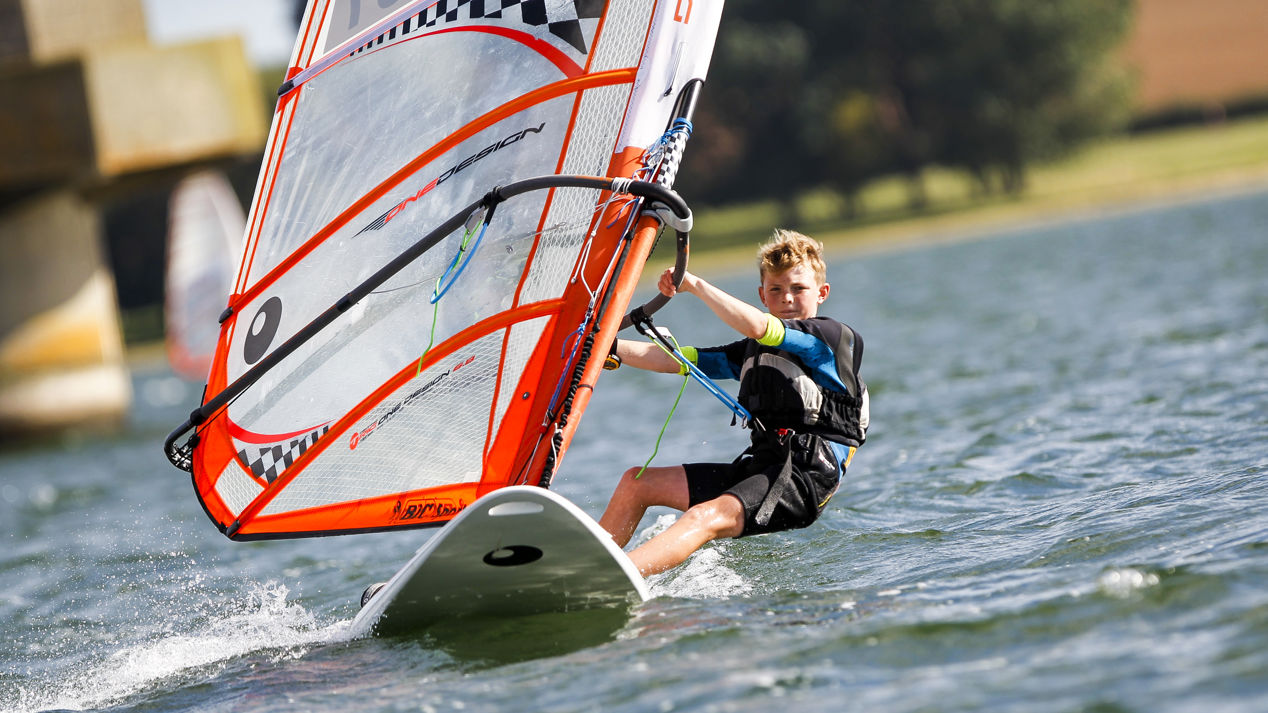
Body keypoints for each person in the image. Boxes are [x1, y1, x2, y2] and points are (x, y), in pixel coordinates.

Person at [599, 229, 869, 576]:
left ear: (822, 293)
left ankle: (611, 578)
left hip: (803, 479)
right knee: (636, 482)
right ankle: (589, 565)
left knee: (703, 517)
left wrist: (694, 285)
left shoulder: (830, 338)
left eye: (798, 289)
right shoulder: (750, 352)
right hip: (760, 467)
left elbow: (761, 327)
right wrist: (605, 346)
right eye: (776, 290)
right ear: (763, 295)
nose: (787, 298)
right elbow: (675, 360)